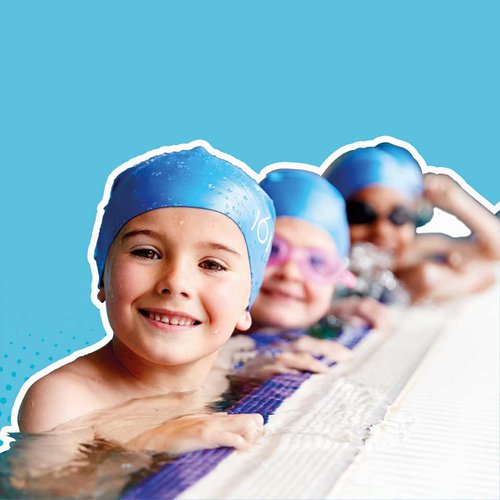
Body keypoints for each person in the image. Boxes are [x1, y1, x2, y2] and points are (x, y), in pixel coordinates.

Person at [17, 144, 275, 454]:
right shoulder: (64, 401)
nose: (175, 283)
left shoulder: (226, 364)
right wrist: (149, 443)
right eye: (146, 252)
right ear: (103, 276)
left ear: (246, 305)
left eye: (212, 265)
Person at [221, 168, 389, 379]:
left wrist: (332, 310)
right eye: (272, 251)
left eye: (317, 262)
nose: (290, 273)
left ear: (338, 278)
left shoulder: (330, 322)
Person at [323, 140, 500, 302]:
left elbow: (495, 250)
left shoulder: (419, 249)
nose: (382, 230)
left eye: (399, 216)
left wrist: (456, 200)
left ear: (414, 218)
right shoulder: (323, 268)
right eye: (362, 215)